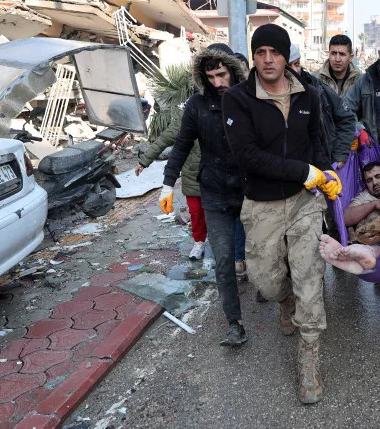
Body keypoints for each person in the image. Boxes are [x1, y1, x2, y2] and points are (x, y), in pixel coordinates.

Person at [222, 24, 341, 404]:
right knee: (267, 282)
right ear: (253, 57)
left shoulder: (309, 92)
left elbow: (317, 141)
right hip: (261, 204)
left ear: (286, 56)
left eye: (275, 52)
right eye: (261, 53)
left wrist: (327, 170)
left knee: (309, 277)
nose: (268, 59)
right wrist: (305, 171)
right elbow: (248, 155)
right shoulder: (238, 99)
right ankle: (285, 302)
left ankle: (310, 361)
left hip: (306, 203)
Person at [160, 42, 248, 347]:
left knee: (265, 257)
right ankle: (234, 324)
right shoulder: (197, 106)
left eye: (221, 75)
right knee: (223, 261)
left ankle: (274, 291)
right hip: (215, 192)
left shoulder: (250, 99)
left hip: (252, 191)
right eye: (210, 77)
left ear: (233, 71)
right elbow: (182, 144)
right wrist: (167, 183)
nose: (217, 83)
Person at [136, 116, 208, 260]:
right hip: (193, 176)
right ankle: (199, 243)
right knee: (196, 212)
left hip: (220, 176)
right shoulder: (187, 117)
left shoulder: (226, 109)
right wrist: (144, 161)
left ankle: (229, 250)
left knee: (222, 214)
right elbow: (163, 140)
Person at [319, 163, 380, 274]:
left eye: (378, 176)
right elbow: (345, 218)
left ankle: (361, 256)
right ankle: (362, 255)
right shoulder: (364, 196)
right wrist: (373, 204)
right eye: (369, 180)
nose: (375, 183)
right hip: (374, 241)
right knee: (367, 219)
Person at [289, 44, 355, 169]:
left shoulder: (317, 88)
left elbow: (346, 118)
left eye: (297, 64)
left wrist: (339, 156)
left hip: (322, 167)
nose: (295, 70)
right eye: (288, 66)